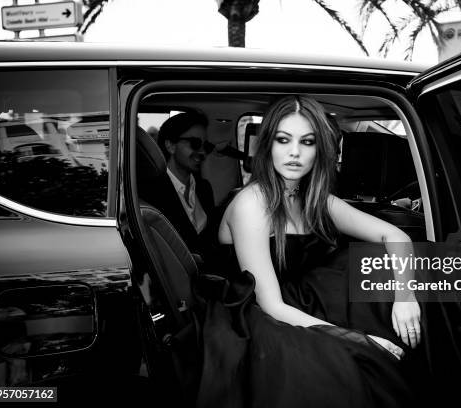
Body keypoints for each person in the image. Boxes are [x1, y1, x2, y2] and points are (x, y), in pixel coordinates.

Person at [195, 95, 421, 408]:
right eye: (283, 140)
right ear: (268, 145)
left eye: (307, 141)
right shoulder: (252, 203)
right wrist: (359, 339)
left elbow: (393, 235)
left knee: (391, 270)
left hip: (303, 296)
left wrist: (405, 297)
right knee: (346, 366)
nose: (294, 153)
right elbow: (271, 305)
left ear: (320, 150)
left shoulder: (313, 199)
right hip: (260, 312)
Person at [158, 111, 215, 234]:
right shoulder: (153, 192)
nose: (202, 152)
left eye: (206, 146)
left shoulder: (204, 188)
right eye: (195, 143)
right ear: (171, 146)